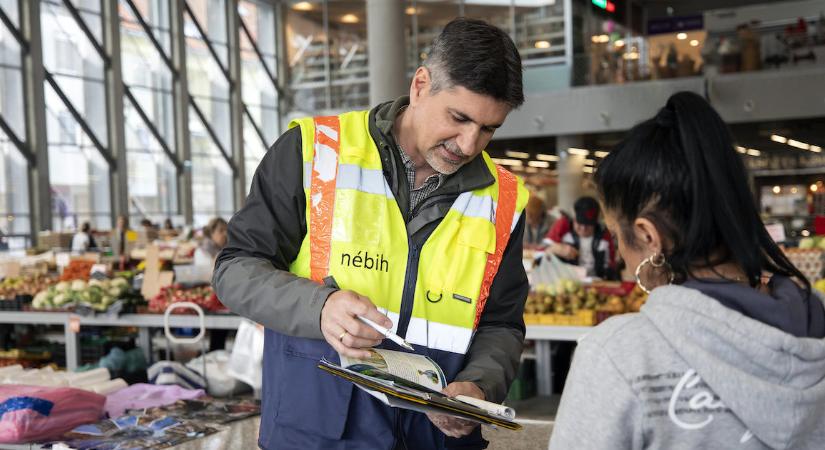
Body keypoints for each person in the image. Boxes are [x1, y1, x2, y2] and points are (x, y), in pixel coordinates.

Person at [214, 18, 529, 450]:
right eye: (459, 118)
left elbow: (502, 323)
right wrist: (318, 307)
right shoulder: (313, 151)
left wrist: (478, 386)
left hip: (434, 440)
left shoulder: (504, 199)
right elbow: (234, 271)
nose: (470, 143)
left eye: (489, 128)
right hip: (316, 435)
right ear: (420, 85)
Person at [548, 92, 825, 449]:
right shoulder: (814, 321)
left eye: (616, 233)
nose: (618, 255)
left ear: (649, 236)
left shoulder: (620, 355)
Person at [545, 196, 616, 279]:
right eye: (579, 223)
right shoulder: (563, 226)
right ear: (574, 219)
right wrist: (554, 249)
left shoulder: (604, 235)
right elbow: (541, 253)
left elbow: (612, 264)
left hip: (597, 281)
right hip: (567, 279)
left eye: (588, 224)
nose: (583, 228)